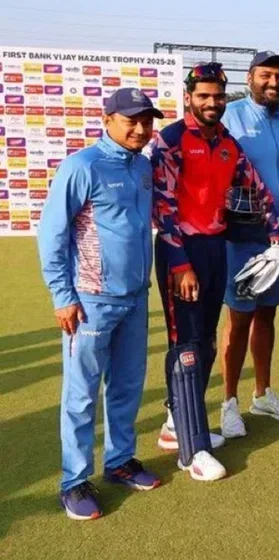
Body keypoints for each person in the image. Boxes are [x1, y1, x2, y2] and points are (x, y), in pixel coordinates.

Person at [149, 63, 279, 481]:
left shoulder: (227, 143)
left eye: (218, 96)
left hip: (216, 248)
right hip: (181, 252)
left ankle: (177, 423)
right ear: (188, 96)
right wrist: (181, 264)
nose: (212, 103)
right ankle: (193, 451)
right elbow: (163, 206)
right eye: (204, 96)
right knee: (187, 346)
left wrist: (277, 240)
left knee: (205, 342)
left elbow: (258, 190)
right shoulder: (170, 140)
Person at [39, 88, 162, 520]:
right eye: (131, 119)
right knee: (81, 395)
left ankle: (120, 461)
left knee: (127, 385)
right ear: (106, 118)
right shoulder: (82, 166)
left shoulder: (144, 166)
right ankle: (74, 481)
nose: (140, 128)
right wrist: (62, 295)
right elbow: (52, 234)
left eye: (146, 120)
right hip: (90, 300)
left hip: (135, 297)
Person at [219, 51, 279, 439]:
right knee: (238, 320)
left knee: (268, 315)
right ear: (250, 77)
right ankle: (228, 403)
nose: (274, 83)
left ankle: (262, 394)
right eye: (266, 75)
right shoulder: (229, 115)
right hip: (242, 235)